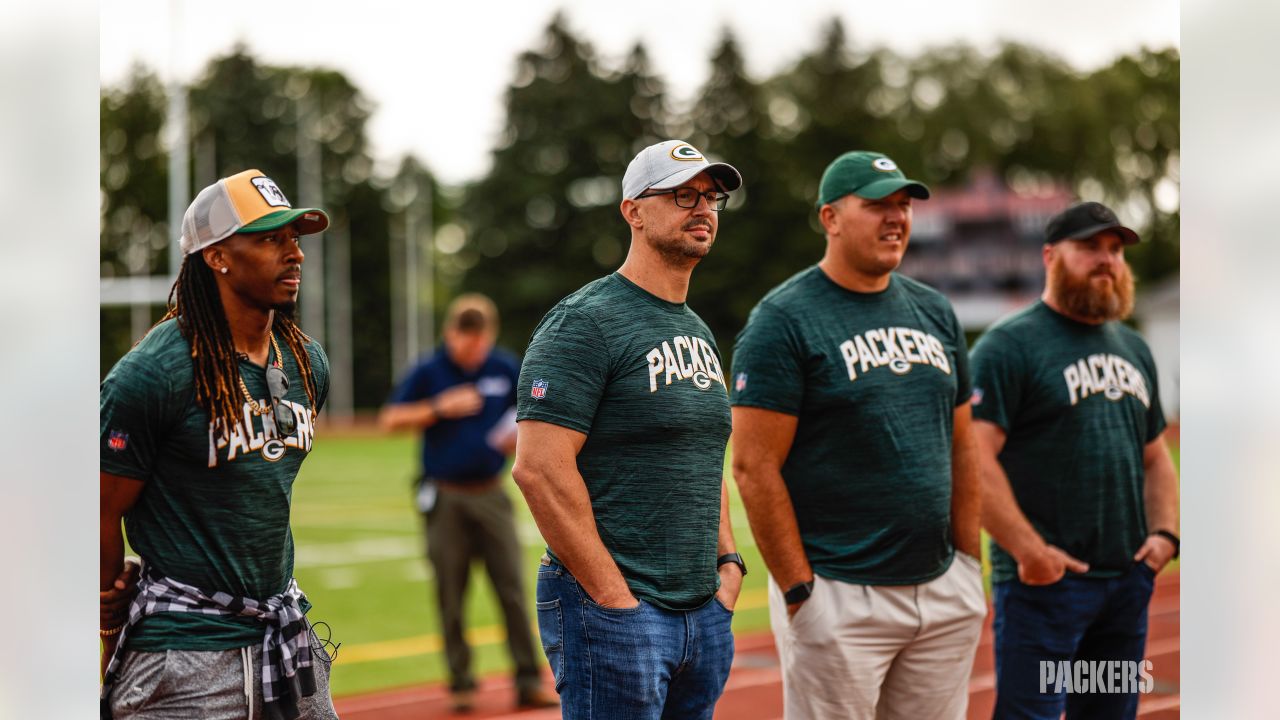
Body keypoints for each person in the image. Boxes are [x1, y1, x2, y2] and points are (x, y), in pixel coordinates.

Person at [729, 150, 987, 719]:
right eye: (877, 206)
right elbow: (752, 465)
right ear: (831, 218)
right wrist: (801, 593)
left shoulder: (935, 312)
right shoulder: (783, 320)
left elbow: (963, 443)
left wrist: (969, 563)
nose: (896, 217)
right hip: (839, 592)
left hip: (942, 586)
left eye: (903, 205)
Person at [511, 139, 747, 720]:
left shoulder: (697, 328)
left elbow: (703, 454)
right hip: (616, 611)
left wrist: (730, 565)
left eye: (711, 198)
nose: (702, 209)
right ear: (633, 211)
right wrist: (617, 601)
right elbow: (539, 468)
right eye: (682, 195)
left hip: (701, 609)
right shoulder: (583, 322)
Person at [100, 169, 337, 719]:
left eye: (294, 238)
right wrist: (108, 621)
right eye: (270, 239)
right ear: (217, 257)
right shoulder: (155, 372)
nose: (293, 254)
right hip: (183, 654)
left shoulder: (306, 362)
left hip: (281, 635)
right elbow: (100, 508)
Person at [970, 201, 1179, 719]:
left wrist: (1165, 537)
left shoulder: (1134, 348)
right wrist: (1031, 553)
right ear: (1050, 256)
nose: (1106, 259)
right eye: (1089, 247)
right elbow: (974, 460)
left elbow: (1155, 456)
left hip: (1125, 585)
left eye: (1114, 250)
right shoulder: (1007, 347)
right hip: (1047, 590)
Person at [378, 294, 557, 713]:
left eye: (480, 343)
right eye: (466, 342)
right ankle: (461, 683)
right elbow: (390, 419)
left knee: (512, 590)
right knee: (451, 594)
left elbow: (530, 409)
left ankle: (528, 679)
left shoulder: (504, 366)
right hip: (446, 497)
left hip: (492, 491)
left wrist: (521, 437)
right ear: (450, 334)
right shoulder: (430, 369)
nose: (474, 352)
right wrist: (438, 407)